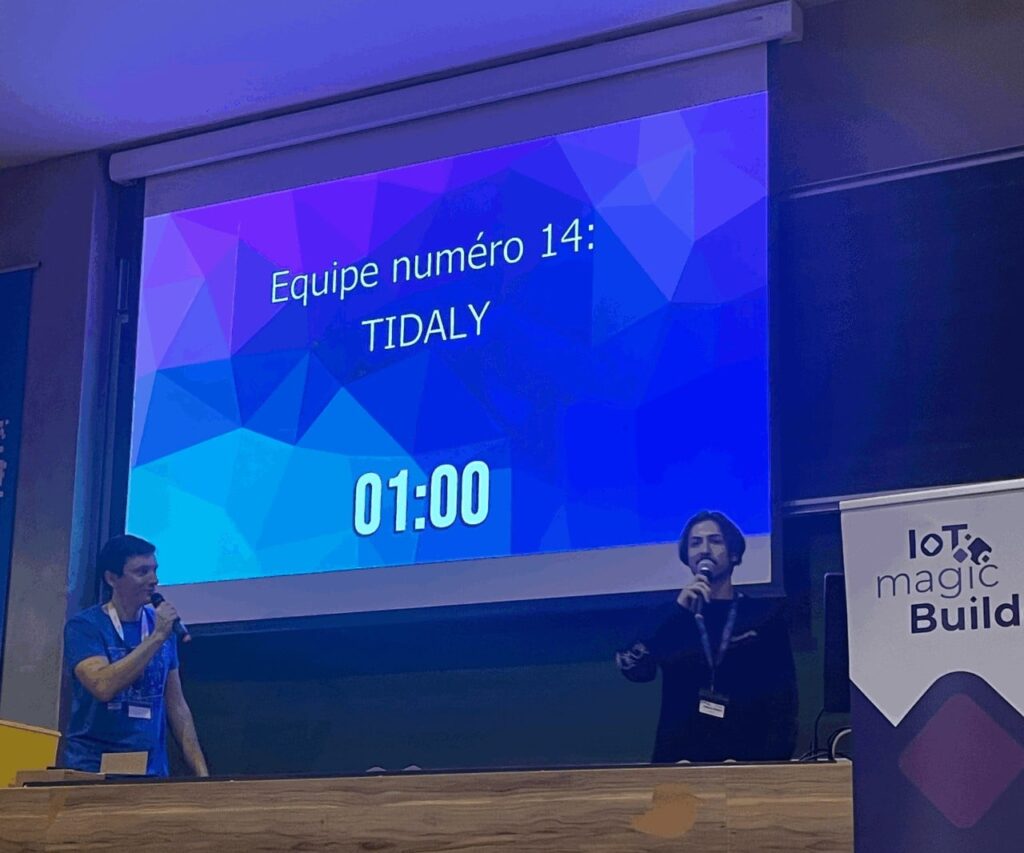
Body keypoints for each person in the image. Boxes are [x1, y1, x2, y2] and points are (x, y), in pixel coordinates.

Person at [616, 510, 798, 763]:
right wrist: (676, 612)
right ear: (687, 558)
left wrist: (770, 762)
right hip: (678, 762)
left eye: (715, 541)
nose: (704, 550)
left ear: (733, 554)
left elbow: (784, 698)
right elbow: (633, 669)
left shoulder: (764, 616)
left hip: (747, 761)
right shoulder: (670, 616)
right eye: (695, 543)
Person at [62, 534, 209, 776]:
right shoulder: (86, 627)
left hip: (149, 771)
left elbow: (177, 705)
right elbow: (102, 686)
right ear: (112, 578)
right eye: (142, 572)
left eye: (154, 570)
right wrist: (156, 637)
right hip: (93, 769)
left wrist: (202, 774)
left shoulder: (161, 627)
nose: (154, 580)